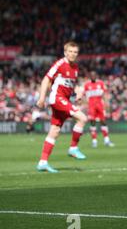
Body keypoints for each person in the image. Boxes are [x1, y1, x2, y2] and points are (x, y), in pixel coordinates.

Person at [35, 41, 88, 173]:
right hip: (57, 99)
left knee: (54, 131)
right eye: (70, 51)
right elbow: (46, 79)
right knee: (82, 118)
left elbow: (71, 85)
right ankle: (73, 148)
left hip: (64, 99)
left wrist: (78, 93)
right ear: (65, 52)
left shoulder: (75, 68)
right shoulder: (60, 64)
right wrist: (42, 97)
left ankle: (43, 162)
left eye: (75, 52)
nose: (72, 54)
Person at [83, 71, 114, 148]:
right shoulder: (87, 85)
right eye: (91, 75)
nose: (93, 77)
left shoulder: (100, 83)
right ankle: (94, 141)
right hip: (91, 106)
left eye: (94, 75)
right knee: (92, 122)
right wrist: (86, 105)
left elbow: (104, 95)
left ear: (96, 76)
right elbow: (84, 96)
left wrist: (106, 104)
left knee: (103, 122)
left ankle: (106, 140)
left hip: (100, 105)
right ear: (90, 76)